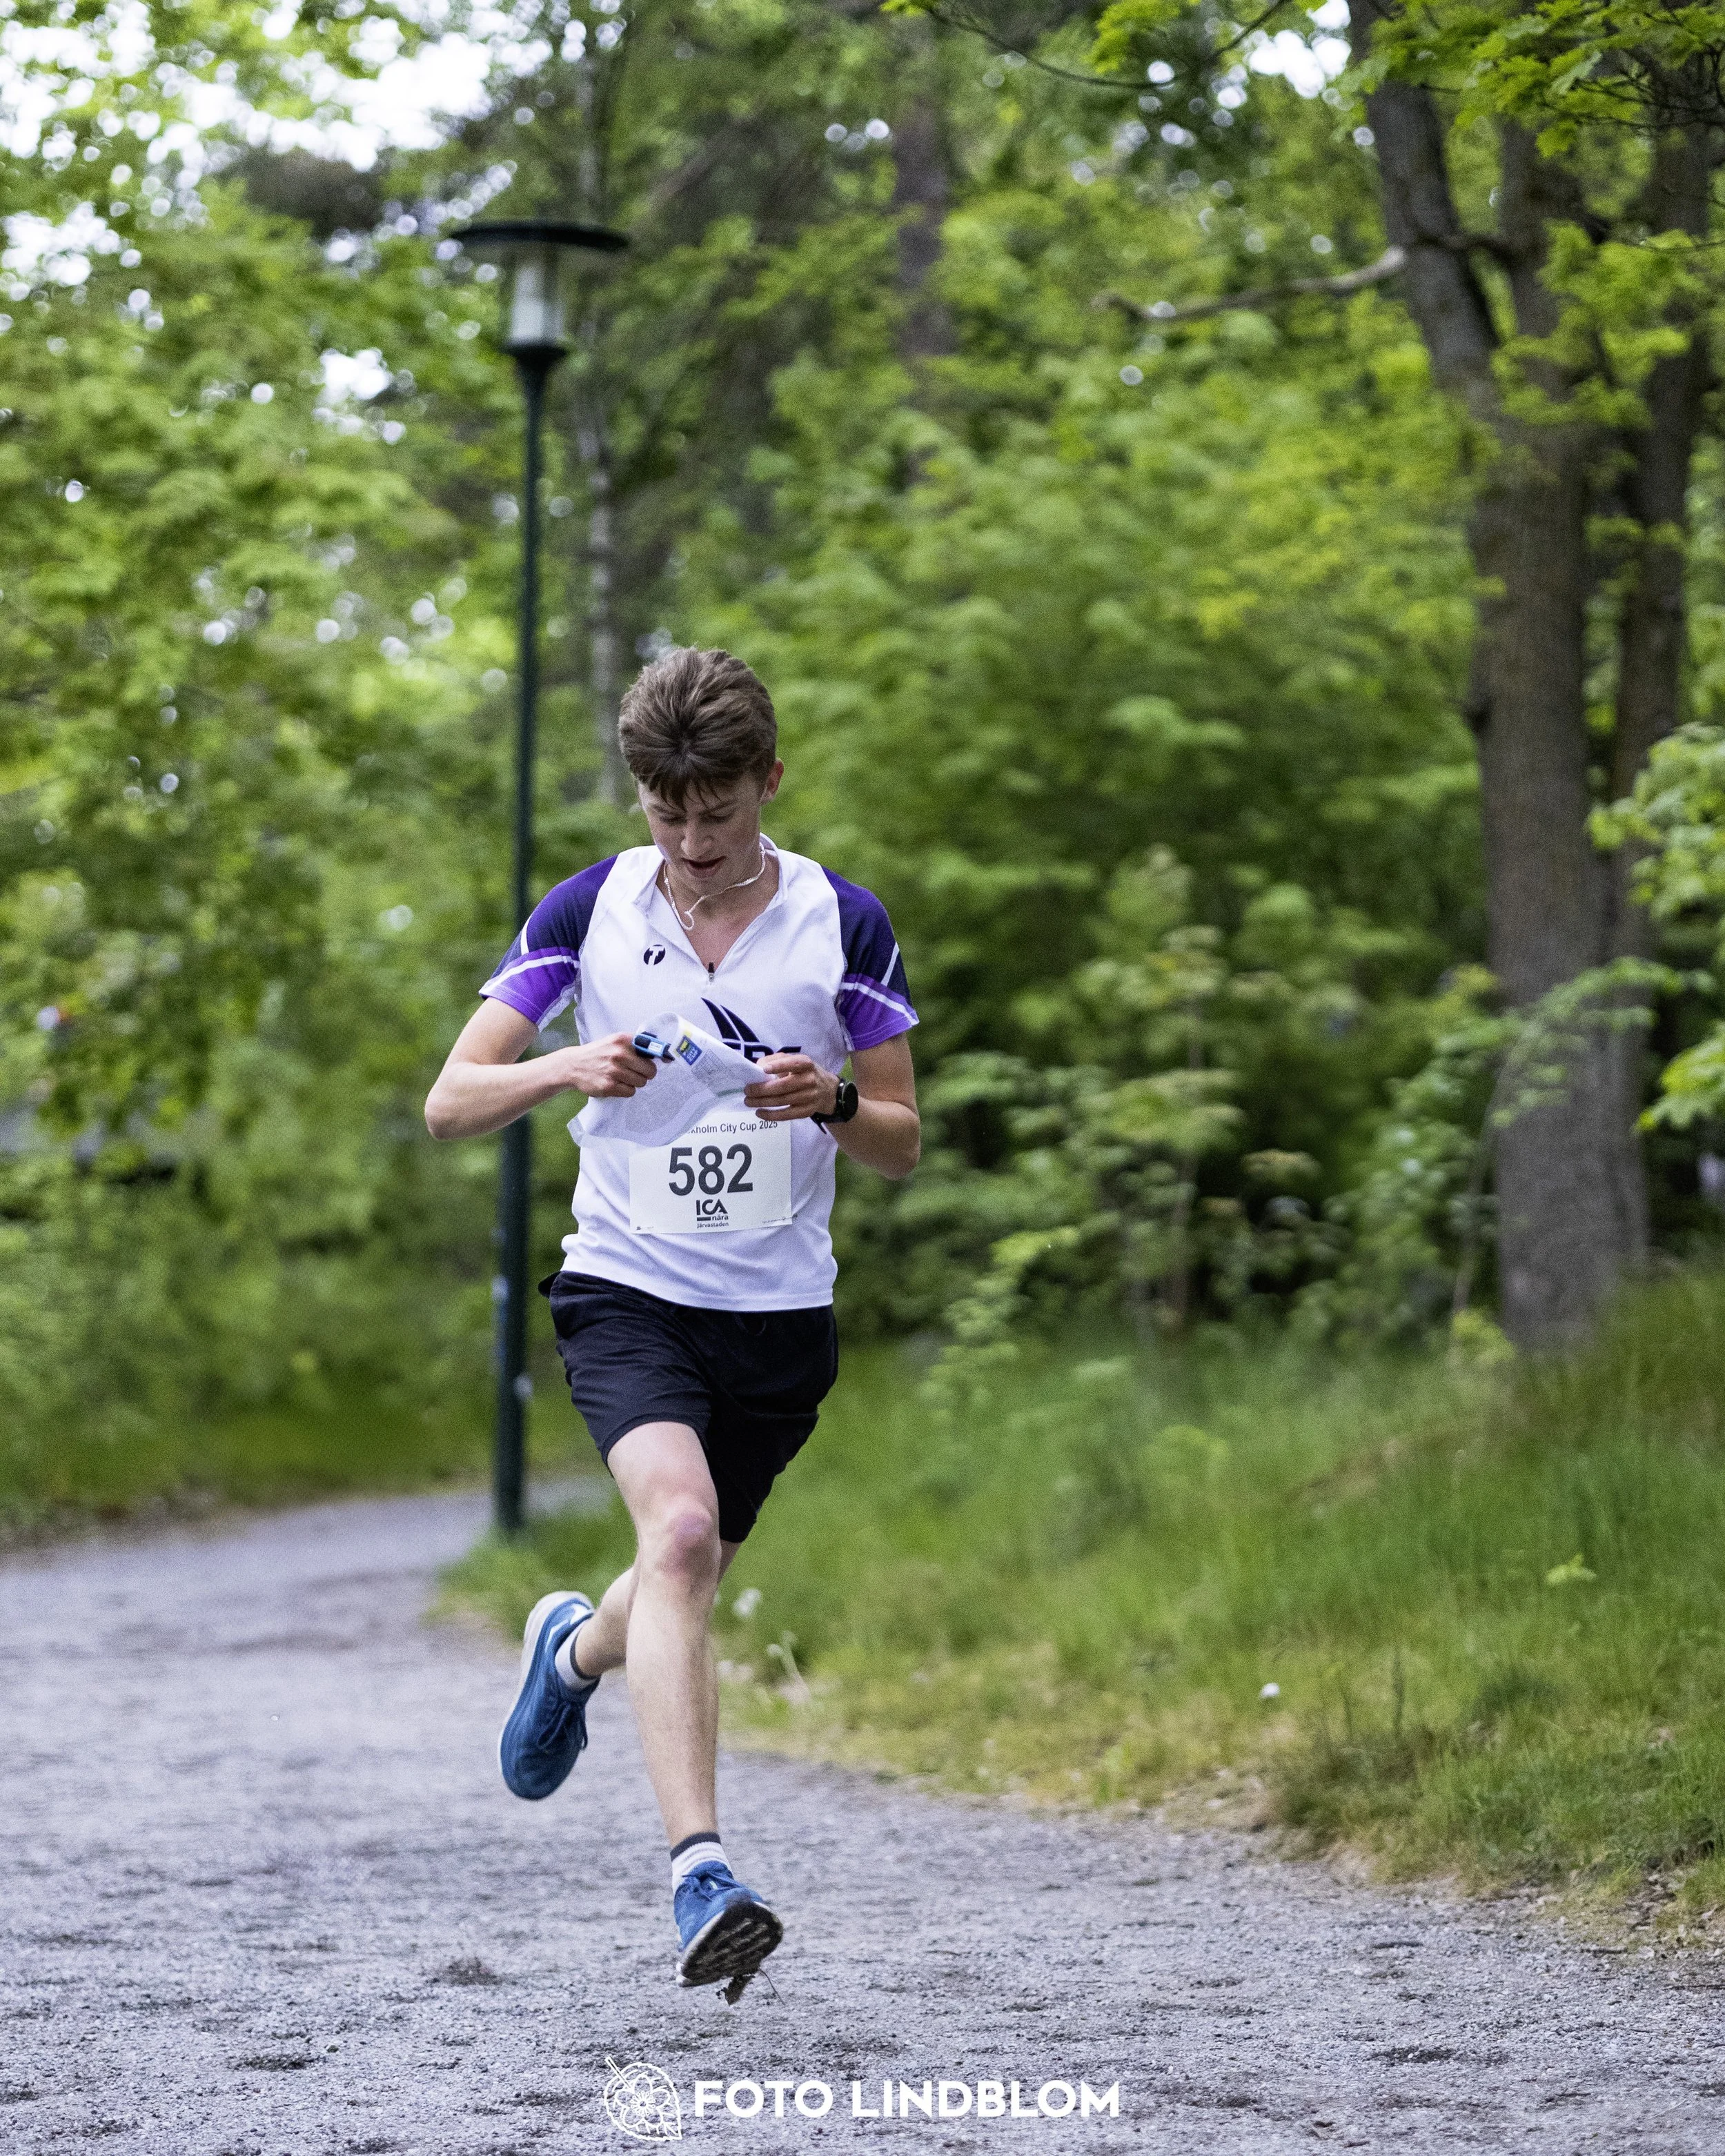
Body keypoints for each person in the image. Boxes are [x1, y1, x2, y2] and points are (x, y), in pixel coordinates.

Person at [424, 646, 920, 2001]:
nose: (693, 845)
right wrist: (564, 1064)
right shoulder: (587, 909)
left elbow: (900, 1141)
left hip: (775, 1315)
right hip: (627, 1287)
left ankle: (571, 1649)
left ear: (767, 780)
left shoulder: (842, 921)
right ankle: (701, 1868)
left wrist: (824, 1103)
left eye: (718, 813)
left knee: (675, 1573)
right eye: (666, 813)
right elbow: (448, 1099)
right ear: (640, 794)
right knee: (684, 1532)